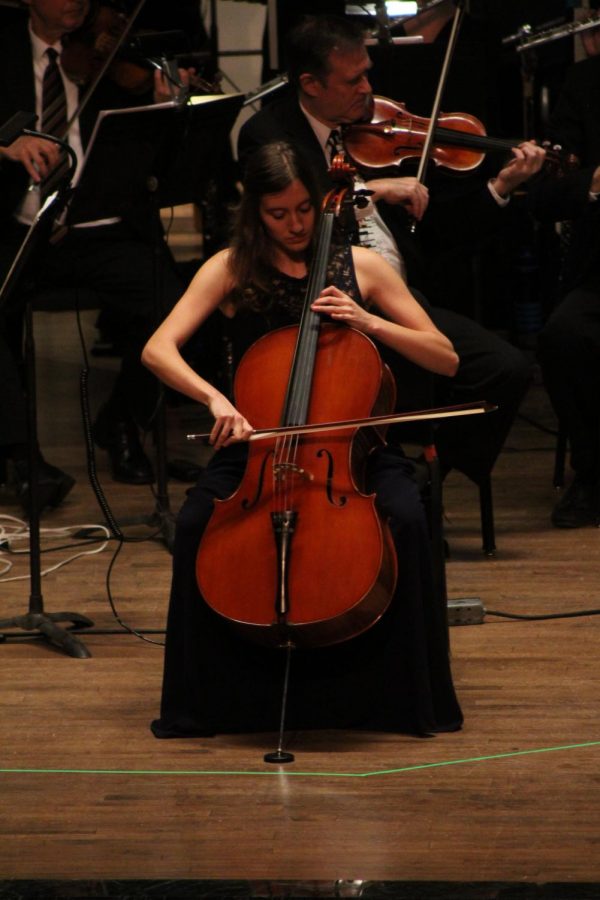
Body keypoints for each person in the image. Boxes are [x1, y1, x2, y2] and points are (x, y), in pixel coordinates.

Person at [142, 141, 463, 738]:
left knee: (406, 518)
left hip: (349, 449)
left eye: (304, 211)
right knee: (192, 526)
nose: (294, 225)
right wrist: (217, 400)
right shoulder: (230, 268)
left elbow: (445, 358)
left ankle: (406, 700)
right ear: (253, 212)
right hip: (259, 446)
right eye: (277, 213)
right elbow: (156, 349)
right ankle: (208, 702)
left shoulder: (363, 268)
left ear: (322, 204)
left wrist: (369, 321)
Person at [237, 14, 546, 489]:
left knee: (506, 369)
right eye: (353, 78)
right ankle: (380, 474)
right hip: (327, 305)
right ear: (310, 84)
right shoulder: (269, 134)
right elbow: (296, 221)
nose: (367, 88)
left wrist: (501, 185)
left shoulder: (379, 131)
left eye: (367, 73)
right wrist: (373, 189)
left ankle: (431, 477)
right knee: (395, 377)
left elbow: (441, 231)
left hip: (400, 296)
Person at [0, 0, 186, 498]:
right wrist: (5, 146)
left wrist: (164, 102)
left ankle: (122, 422)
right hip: (17, 224)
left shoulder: (106, 59)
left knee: (172, 306)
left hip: (96, 220)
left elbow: (155, 152)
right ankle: (21, 455)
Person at [527, 48, 600, 528]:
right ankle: (594, 473)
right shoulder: (587, 83)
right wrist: (594, 181)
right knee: (562, 336)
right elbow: (547, 195)